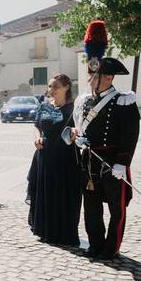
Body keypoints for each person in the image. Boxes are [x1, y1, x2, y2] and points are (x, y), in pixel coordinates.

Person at [70, 20, 139, 260]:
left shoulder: (124, 100)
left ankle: (112, 247)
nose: (90, 79)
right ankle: (95, 243)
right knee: (91, 206)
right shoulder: (83, 101)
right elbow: (73, 128)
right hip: (89, 161)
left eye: (95, 76)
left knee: (116, 209)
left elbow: (130, 136)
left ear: (108, 77)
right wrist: (76, 137)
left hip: (112, 162)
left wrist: (123, 163)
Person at [27, 73, 81, 246]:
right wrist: (37, 138)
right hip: (44, 156)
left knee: (62, 195)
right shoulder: (44, 107)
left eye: (56, 86)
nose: (51, 90)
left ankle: (62, 233)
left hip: (65, 157)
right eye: (50, 86)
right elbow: (37, 126)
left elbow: (80, 129)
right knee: (44, 193)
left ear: (66, 87)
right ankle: (44, 230)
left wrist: (75, 133)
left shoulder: (74, 109)